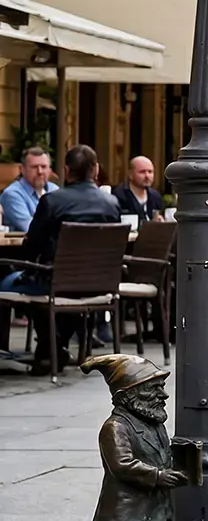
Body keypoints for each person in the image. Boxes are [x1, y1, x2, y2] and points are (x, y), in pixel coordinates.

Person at [3, 145, 122, 368]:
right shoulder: (112, 204)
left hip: (56, 282)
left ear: (66, 170)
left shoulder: (53, 200)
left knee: (8, 282)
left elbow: (31, 247)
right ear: (95, 170)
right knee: (59, 285)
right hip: (99, 283)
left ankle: (49, 345)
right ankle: (55, 345)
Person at [2, 147, 53, 232]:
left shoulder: (54, 190)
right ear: (22, 169)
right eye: (34, 167)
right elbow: (30, 228)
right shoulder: (12, 194)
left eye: (43, 167)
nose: (40, 171)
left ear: (49, 170)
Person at [111, 157, 166, 221]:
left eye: (150, 172)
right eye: (142, 172)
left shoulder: (156, 196)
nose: (147, 176)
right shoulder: (119, 195)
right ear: (130, 174)